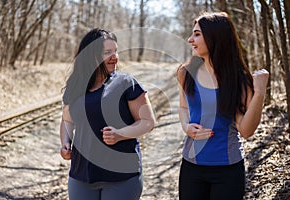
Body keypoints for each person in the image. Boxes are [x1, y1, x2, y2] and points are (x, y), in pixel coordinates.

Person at [177, 12, 269, 200]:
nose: (190, 39)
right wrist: (186, 127)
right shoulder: (186, 73)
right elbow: (184, 108)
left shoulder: (239, 80)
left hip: (227, 171)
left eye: (197, 34)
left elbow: (246, 130)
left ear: (214, 37)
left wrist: (259, 93)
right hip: (191, 168)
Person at [59, 28, 155, 200]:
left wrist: (120, 134)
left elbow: (148, 122)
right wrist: (65, 142)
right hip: (81, 175)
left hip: (121, 177)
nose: (115, 56)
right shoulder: (74, 86)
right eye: (107, 52)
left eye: (115, 51)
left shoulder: (126, 83)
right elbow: (67, 120)